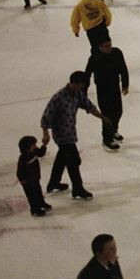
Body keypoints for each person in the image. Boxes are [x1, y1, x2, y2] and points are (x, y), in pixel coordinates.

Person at [41, 71, 108, 200]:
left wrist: (102, 118)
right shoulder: (59, 98)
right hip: (61, 135)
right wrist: (45, 134)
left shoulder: (77, 95)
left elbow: (89, 106)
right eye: (81, 85)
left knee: (62, 158)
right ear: (74, 83)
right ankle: (78, 189)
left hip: (70, 132)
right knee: (73, 161)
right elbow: (46, 116)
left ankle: (53, 183)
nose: (82, 88)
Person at [85, 40, 129, 152]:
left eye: (110, 45)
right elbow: (87, 74)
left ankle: (113, 130)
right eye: (106, 46)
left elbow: (123, 68)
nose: (109, 48)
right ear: (100, 47)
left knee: (118, 111)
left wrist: (125, 84)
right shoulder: (94, 58)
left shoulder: (117, 53)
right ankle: (107, 139)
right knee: (107, 114)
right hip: (103, 89)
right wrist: (84, 92)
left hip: (114, 86)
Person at [16, 135, 50, 216]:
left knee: (38, 191)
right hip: (27, 181)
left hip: (35, 178)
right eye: (33, 145)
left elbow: (41, 153)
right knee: (32, 195)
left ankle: (41, 203)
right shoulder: (23, 158)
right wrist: (22, 179)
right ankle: (35, 209)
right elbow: (19, 171)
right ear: (27, 148)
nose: (35, 146)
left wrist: (44, 145)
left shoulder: (34, 151)